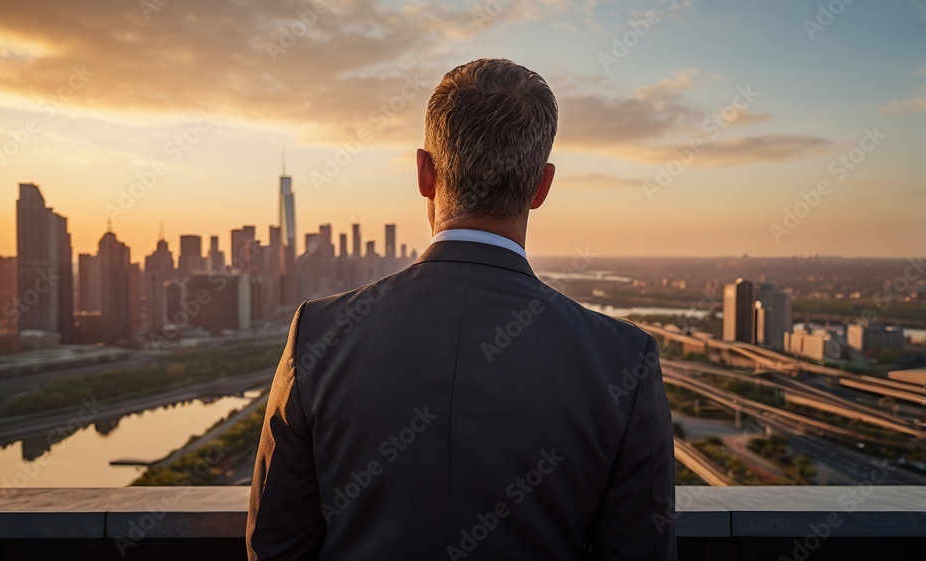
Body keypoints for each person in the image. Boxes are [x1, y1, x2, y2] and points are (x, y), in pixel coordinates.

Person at [247, 58, 676, 561]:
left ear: (425, 173)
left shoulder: (318, 335)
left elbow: (275, 545)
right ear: (542, 186)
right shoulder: (623, 360)